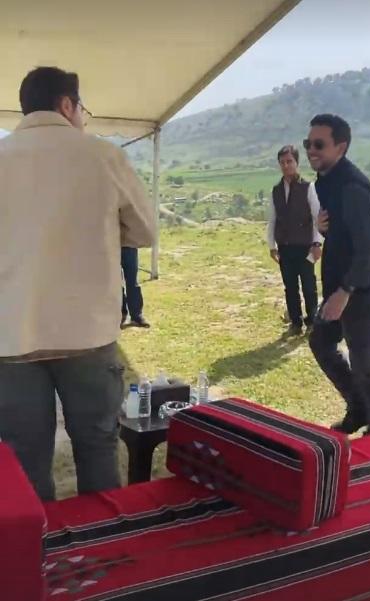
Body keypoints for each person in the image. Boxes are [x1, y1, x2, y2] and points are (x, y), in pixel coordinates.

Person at [0, 67, 155, 500]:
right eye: (81, 109)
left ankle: (40, 542)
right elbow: (144, 232)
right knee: (97, 448)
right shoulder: (102, 155)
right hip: (87, 334)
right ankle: (100, 538)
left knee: (25, 460)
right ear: (67, 104)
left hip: (12, 336)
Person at [305, 114, 370, 434]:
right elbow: (345, 234)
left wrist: (345, 292)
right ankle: (359, 409)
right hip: (340, 287)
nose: (311, 150)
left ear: (340, 147)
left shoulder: (353, 188)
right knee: (321, 342)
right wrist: (324, 229)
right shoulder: (326, 181)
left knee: (364, 364)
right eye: (308, 143)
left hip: (364, 291)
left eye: (319, 144)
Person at [267, 145, 323, 335]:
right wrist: (272, 246)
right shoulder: (276, 191)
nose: (286, 165)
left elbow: (317, 218)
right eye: (282, 162)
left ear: (297, 162)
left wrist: (317, 244)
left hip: (305, 246)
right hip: (285, 246)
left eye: (289, 161)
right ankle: (295, 323)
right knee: (290, 287)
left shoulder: (308, 187)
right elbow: (272, 219)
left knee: (308, 285)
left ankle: (312, 322)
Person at [121, 247, 149, 328]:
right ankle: (121, 313)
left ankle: (136, 315)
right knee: (114, 282)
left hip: (129, 245)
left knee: (132, 280)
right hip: (109, 245)